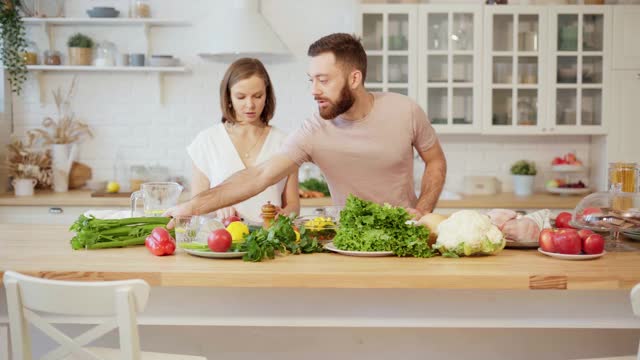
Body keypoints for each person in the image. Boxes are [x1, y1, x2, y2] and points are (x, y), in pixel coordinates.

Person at [166, 33, 446, 223]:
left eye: (323, 80)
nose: (314, 90)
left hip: (406, 237)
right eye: (310, 80)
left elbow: (434, 160)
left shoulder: (405, 110)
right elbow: (259, 175)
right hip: (348, 242)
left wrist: (422, 210)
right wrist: (190, 207)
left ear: (354, 78)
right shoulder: (314, 131)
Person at [186, 57, 299, 223]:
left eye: (257, 96)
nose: (250, 105)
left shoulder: (285, 143)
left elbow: (293, 204)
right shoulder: (207, 141)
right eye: (241, 97)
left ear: (267, 96)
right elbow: (195, 205)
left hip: (269, 242)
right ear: (228, 97)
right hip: (219, 242)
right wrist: (217, 207)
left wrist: (284, 213)